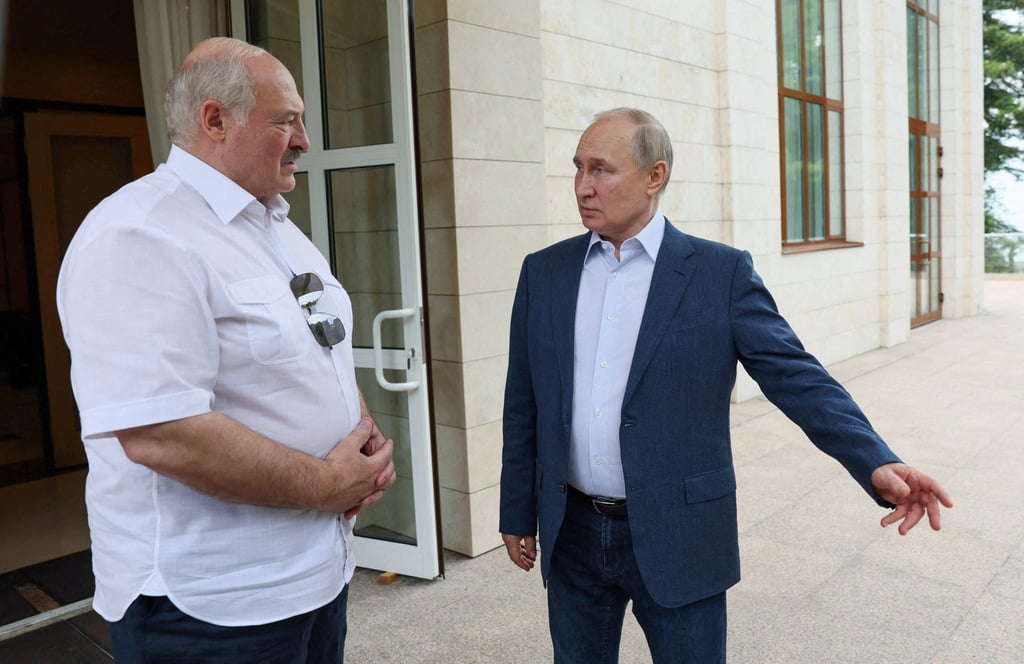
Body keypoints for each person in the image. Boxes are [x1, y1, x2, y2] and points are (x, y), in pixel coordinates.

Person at [499, 107, 953, 663]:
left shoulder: (720, 273)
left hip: (681, 533)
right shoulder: (544, 272)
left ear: (654, 176)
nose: (583, 187)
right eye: (578, 168)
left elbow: (797, 377)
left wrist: (874, 459)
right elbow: (523, 401)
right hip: (573, 535)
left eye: (601, 169)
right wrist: (517, 510)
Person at [56, 37, 395, 663]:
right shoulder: (139, 234)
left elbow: (319, 346)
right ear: (216, 120)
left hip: (314, 580)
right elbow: (162, 433)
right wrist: (325, 483)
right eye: (286, 120)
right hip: (211, 610)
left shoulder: (277, 228)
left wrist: (362, 432)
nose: (304, 140)